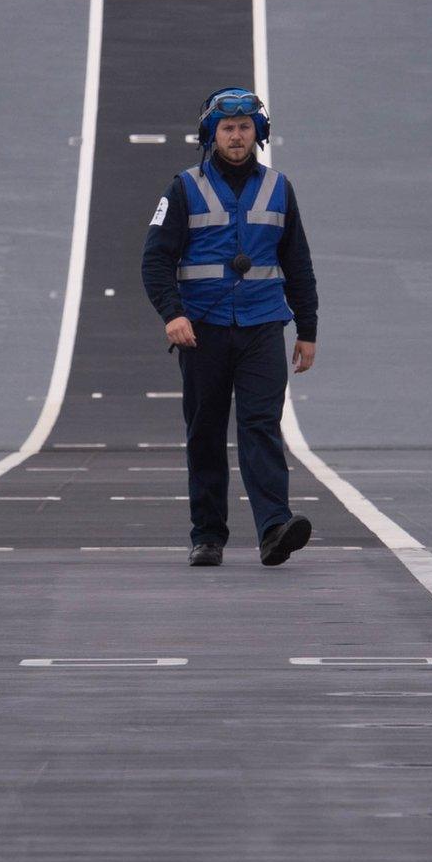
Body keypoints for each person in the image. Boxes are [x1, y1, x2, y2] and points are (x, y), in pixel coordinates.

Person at [141, 88, 319, 567]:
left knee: (261, 424)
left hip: (263, 326)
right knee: (205, 431)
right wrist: (172, 314)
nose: (236, 137)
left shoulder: (280, 188)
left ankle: (273, 528)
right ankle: (208, 535)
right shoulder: (182, 188)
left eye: (244, 128)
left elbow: (297, 263)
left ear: (258, 133)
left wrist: (308, 329)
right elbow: (155, 260)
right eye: (227, 129)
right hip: (203, 331)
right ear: (211, 134)